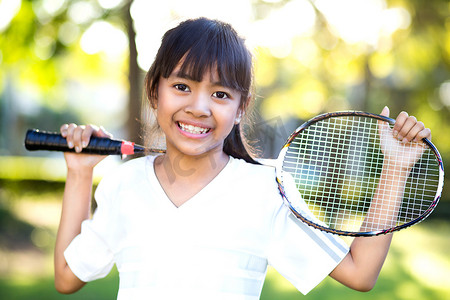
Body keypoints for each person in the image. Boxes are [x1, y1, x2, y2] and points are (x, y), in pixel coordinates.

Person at [53, 18, 431, 299]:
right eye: (182, 86)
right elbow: (67, 276)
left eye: (219, 94)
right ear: (154, 91)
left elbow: (360, 272)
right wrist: (79, 173)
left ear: (240, 108)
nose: (199, 107)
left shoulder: (267, 190)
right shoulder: (125, 183)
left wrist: (395, 167)